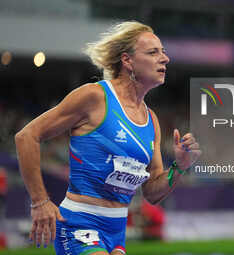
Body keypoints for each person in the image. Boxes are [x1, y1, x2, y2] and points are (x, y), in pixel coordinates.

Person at [15, 21, 201, 255]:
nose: (165, 58)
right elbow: (26, 136)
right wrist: (40, 201)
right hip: (79, 224)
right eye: (153, 52)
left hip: (116, 231)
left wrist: (180, 167)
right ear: (127, 61)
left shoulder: (151, 120)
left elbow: (152, 193)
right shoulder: (95, 97)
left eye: (163, 52)